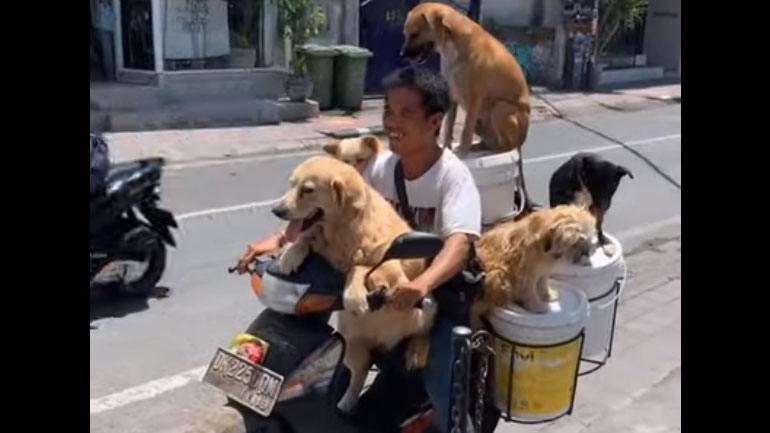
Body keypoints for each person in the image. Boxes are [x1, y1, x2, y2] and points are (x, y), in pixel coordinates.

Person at [235, 66, 482, 433]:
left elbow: (460, 244)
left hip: (435, 300)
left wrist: (423, 283)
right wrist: (279, 239)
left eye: (405, 114)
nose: (391, 123)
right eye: (387, 112)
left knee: (444, 382)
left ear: (434, 121)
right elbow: (329, 209)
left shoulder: (452, 177)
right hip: (380, 286)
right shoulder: (381, 168)